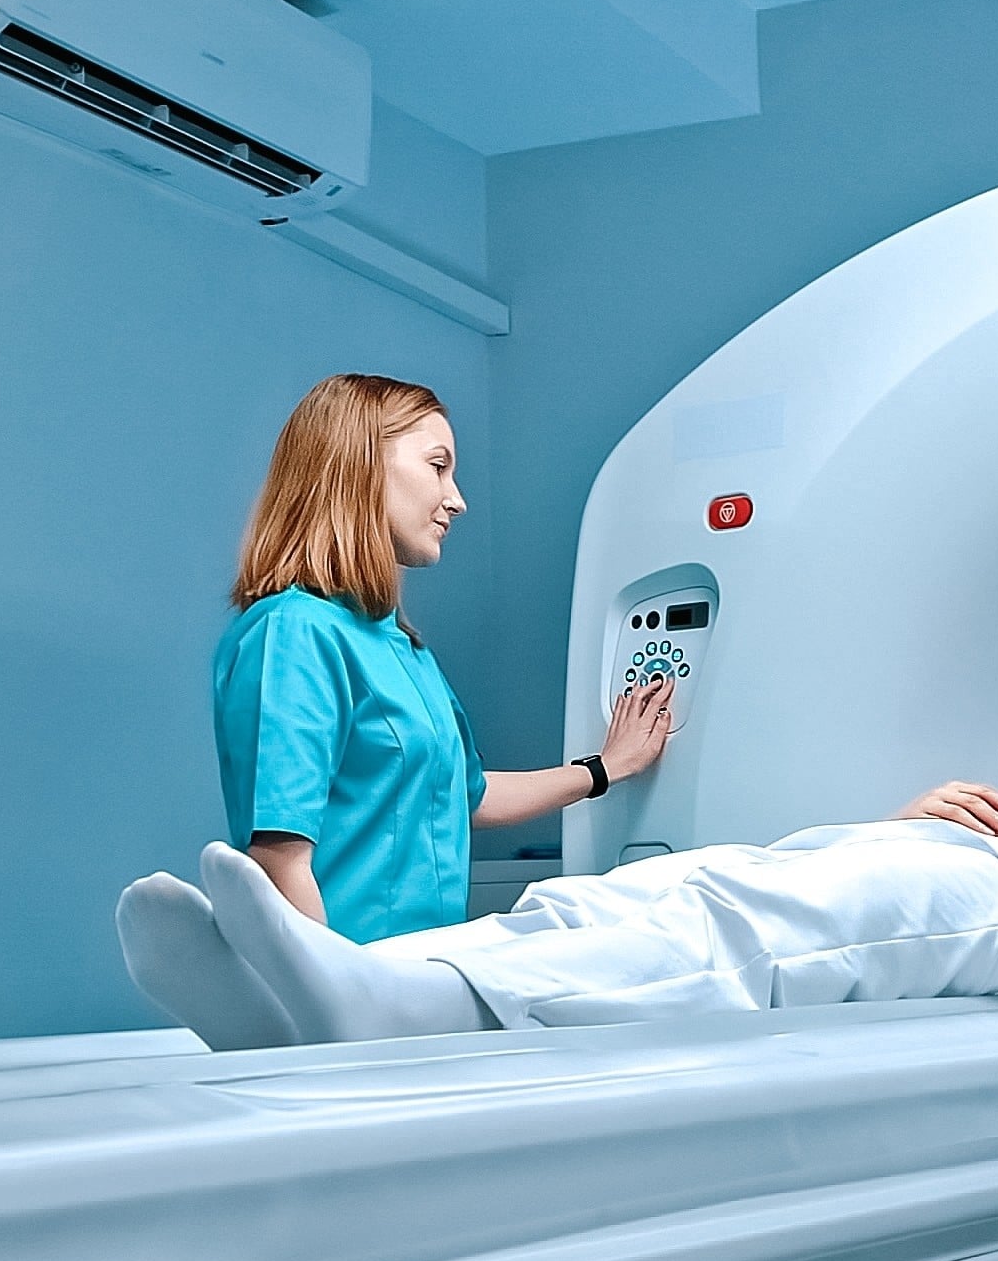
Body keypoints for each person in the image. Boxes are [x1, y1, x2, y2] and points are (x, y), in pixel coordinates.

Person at [119, 779, 998, 1048]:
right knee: (628, 894)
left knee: (722, 943)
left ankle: (400, 1011)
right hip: (918, 863)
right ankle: (318, 976)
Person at [209, 374, 675, 945]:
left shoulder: (400, 646)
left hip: (420, 971)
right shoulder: (294, 633)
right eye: (438, 466)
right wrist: (339, 1007)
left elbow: (466, 795)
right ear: (360, 466)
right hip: (354, 977)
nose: (456, 499)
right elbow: (280, 862)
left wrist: (605, 768)